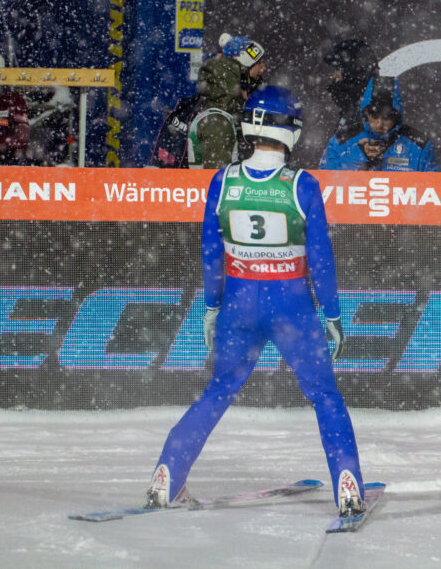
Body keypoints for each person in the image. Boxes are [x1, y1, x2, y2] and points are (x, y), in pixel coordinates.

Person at [146, 85, 368, 517]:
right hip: (293, 306)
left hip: (238, 303)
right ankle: (348, 487)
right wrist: (334, 315)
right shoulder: (303, 185)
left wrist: (212, 308)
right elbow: (321, 260)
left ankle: (166, 476)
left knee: (218, 391)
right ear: (293, 132)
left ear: (248, 126)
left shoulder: (223, 180)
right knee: (324, 396)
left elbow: (211, 252)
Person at [319, 77, 439, 172]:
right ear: (366, 114)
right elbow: (325, 183)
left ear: (396, 117)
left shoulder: (419, 145)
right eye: (374, 116)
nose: (379, 124)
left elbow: (433, 190)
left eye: (386, 118)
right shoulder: (342, 140)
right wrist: (358, 157)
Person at [190, 32, 267, 167]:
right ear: (243, 71)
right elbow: (218, 180)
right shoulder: (217, 120)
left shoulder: (226, 109)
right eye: (259, 63)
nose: (263, 68)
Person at [323, 38, 380, 131]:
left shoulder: (364, 120)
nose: (334, 76)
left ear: (352, 74)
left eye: (338, 69)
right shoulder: (352, 114)